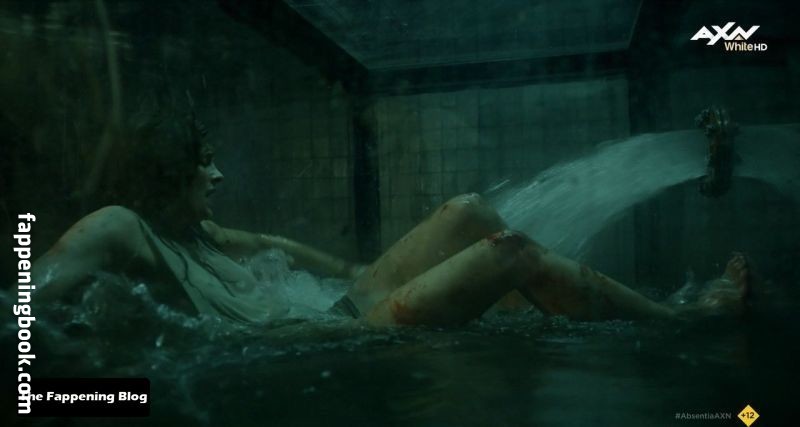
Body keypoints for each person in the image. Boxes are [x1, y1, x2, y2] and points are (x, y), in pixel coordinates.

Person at [32, 113, 749, 326]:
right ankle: (678, 316)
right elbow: (23, 305)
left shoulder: (196, 232)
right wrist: (95, 393)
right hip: (333, 337)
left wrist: (354, 270)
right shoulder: (121, 225)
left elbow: (275, 246)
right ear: (167, 173)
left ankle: (528, 307)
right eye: (204, 165)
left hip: (340, 305)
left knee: (468, 212)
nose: (218, 177)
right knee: (510, 252)